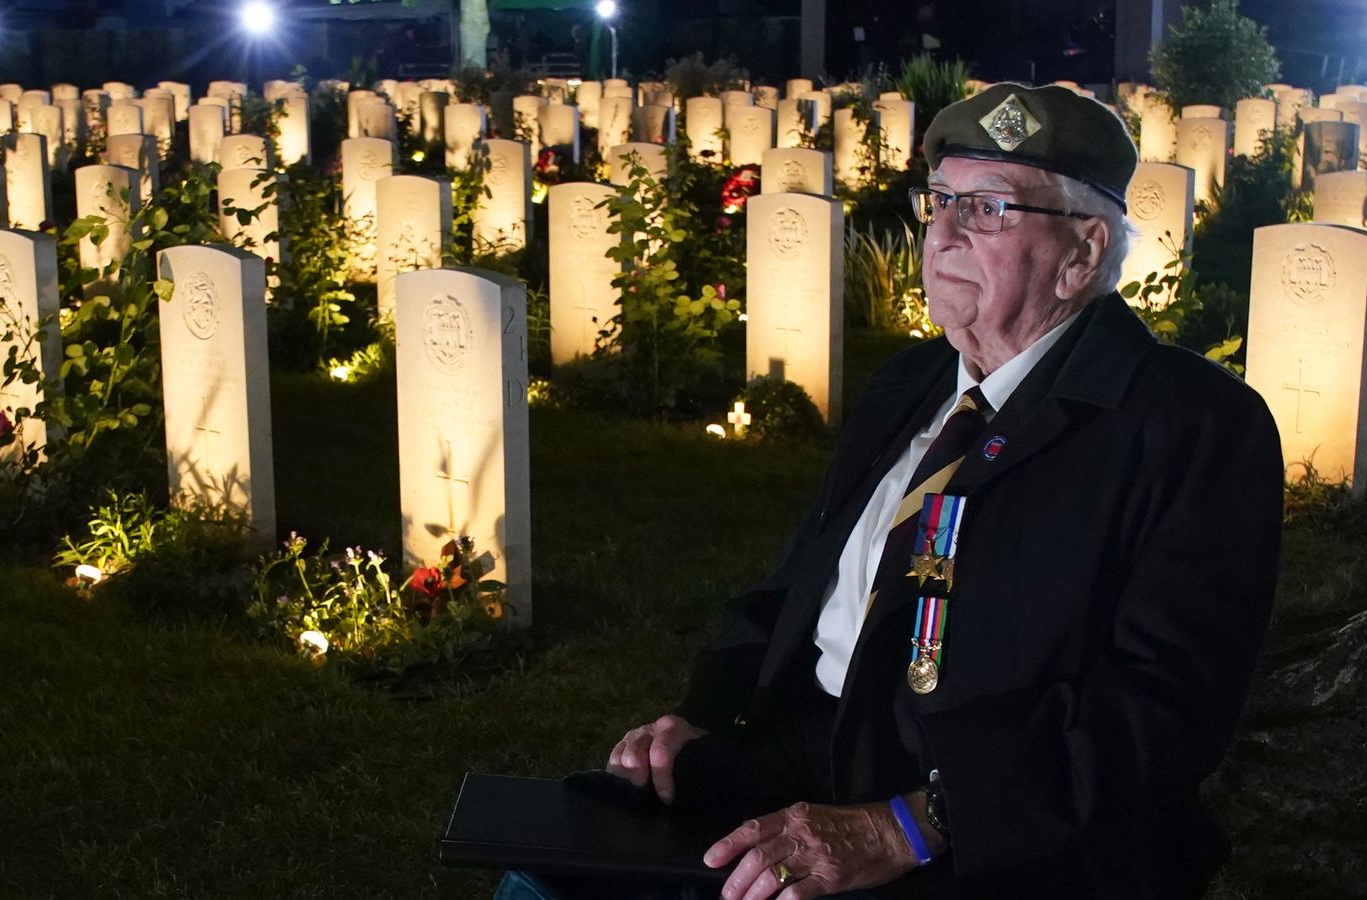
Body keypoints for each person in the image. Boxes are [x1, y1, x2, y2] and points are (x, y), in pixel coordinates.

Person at [500, 84, 1284, 900]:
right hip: (812, 747)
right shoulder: (913, 380)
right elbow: (801, 585)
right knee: (547, 871)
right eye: (938, 200)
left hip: (996, 824)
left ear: (1084, 250)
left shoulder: (1191, 426)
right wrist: (701, 719)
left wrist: (913, 822)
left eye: (987, 210)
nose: (942, 234)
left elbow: (1162, 711)